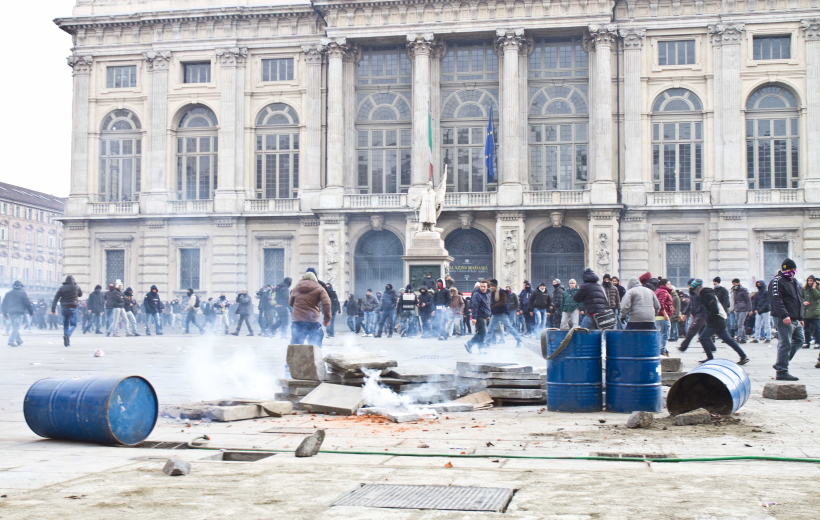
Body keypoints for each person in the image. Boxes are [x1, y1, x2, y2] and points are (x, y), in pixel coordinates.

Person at [694, 281, 750, 365]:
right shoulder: (706, 294)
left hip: (715, 321)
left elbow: (714, 309)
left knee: (703, 338)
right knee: (728, 340)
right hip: (718, 321)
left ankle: (710, 357)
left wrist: (708, 318)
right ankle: (743, 356)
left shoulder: (707, 295)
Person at [769, 259, 804, 380]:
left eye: (794, 270)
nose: (793, 272)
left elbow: (798, 299)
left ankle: (780, 363)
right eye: (790, 270)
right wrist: (784, 315)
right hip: (783, 318)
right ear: (784, 269)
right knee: (785, 343)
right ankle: (782, 371)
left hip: (794, 317)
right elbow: (776, 299)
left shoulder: (793, 281)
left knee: (799, 340)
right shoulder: (776, 281)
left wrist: (800, 317)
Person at [289, 271, 331, 346]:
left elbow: (291, 303)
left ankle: (295, 357)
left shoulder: (296, 288)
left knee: (296, 344)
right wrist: (327, 319)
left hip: (297, 320)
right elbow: (327, 303)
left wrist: (299, 309)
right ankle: (314, 356)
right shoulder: (319, 288)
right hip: (312, 320)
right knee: (315, 343)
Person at [487, 279, 522, 347]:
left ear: (495, 286)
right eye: (490, 286)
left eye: (492, 286)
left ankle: (519, 339)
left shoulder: (502, 292)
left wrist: (493, 307)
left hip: (502, 313)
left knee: (509, 327)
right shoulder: (492, 293)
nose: (491, 287)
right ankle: (487, 342)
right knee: (490, 328)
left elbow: (503, 301)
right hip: (494, 314)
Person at [51, 275, 83, 347]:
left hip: (64, 308)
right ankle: (67, 335)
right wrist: (76, 285)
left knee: (66, 324)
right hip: (73, 307)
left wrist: (53, 309)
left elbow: (56, 299)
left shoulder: (61, 288)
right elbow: (80, 294)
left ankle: (66, 341)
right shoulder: (76, 287)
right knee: (73, 324)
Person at [679, 279, 708, 351]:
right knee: (702, 331)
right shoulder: (693, 292)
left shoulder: (700, 292)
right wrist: (685, 313)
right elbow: (690, 304)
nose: (688, 286)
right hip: (696, 314)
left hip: (701, 314)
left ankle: (683, 346)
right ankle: (711, 347)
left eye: (689, 285)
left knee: (692, 330)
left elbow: (703, 304)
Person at [2, 281, 34, 347]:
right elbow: (27, 303)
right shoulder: (23, 293)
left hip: (11, 312)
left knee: (15, 327)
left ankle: (19, 340)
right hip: (19, 312)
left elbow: (4, 304)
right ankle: (11, 341)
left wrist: (5, 314)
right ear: (21, 287)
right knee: (16, 327)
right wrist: (31, 312)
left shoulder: (8, 293)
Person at [465, 279, 491, 353]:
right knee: (483, 332)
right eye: (481, 286)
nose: (482, 288)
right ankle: (480, 348)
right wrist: (474, 318)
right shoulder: (477, 295)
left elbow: (487, 305)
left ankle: (470, 344)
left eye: (484, 286)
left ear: (487, 287)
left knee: (481, 332)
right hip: (479, 315)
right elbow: (474, 307)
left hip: (484, 315)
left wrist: (488, 315)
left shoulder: (487, 294)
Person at [653, 278, 675, 356]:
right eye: (669, 284)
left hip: (657, 317)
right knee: (665, 335)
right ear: (664, 285)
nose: (670, 285)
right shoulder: (664, 292)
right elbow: (660, 303)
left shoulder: (657, 291)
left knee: (660, 335)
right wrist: (665, 314)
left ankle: (663, 350)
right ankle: (662, 351)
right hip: (662, 317)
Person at [730, 278, 751, 343]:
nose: (734, 285)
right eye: (733, 284)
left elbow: (748, 300)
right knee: (739, 324)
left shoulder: (743, 290)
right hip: (737, 309)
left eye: (735, 284)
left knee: (740, 324)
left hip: (743, 309)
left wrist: (749, 309)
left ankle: (738, 337)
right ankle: (743, 338)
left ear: (738, 283)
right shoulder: (734, 290)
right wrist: (734, 308)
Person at [802, 275, 820, 349]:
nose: (810, 282)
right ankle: (807, 342)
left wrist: (814, 288)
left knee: (816, 329)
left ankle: (818, 342)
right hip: (806, 311)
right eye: (808, 281)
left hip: (815, 312)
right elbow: (800, 297)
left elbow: (817, 296)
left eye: (811, 281)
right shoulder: (804, 289)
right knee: (806, 329)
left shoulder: (817, 288)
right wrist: (803, 302)